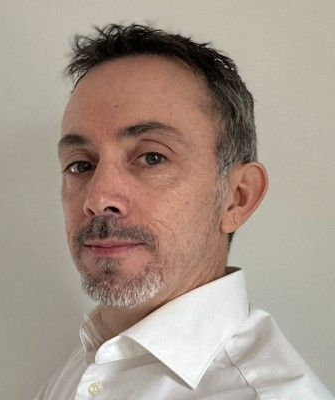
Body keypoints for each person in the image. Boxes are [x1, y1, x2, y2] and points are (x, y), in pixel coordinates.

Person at [35, 24, 334, 400]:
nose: (97, 198)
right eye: (80, 164)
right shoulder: (84, 363)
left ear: (237, 198)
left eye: (152, 157)